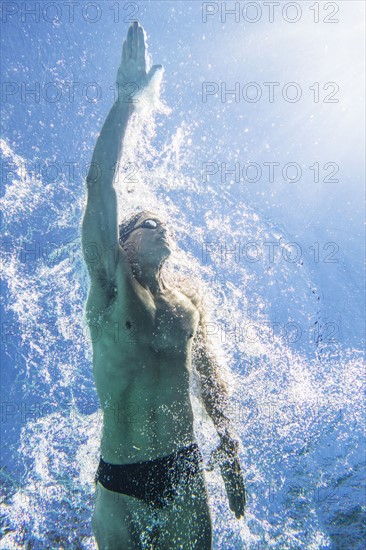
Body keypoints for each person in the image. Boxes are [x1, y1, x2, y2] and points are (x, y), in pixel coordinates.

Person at [82, 21, 246, 549]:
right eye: (150, 223)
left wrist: (231, 455)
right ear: (123, 240)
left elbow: (212, 382)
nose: (164, 227)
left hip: (181, 472)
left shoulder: (186, 305)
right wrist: (126, 100)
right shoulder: (110, 286)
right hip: (121, 479)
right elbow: (98, 182)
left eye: (166, 223)